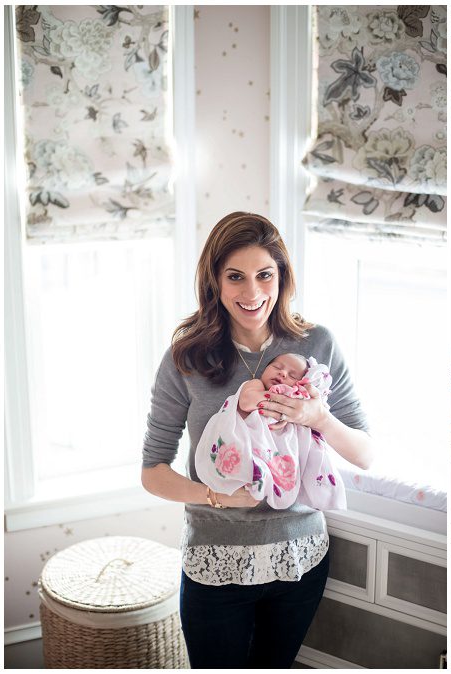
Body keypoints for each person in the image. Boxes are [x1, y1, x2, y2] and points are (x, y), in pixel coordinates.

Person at [141, 212, 374, 668]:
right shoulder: (186, 359)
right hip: (216, 561)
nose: (252, 293)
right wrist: (216, 495)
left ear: (282, 277)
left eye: (264, 275)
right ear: (215, 282)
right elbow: (152, 472)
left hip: (300, 560)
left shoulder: (317, 345)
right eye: (236, 277)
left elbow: (365, 452)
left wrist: (319, 417)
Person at [195, 352, 347, 511]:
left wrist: (296, 404)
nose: (283, 373)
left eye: (293, 376)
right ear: (265, 369)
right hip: (245, 440)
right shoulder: (255, 385)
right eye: (277, 367)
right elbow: (247, 402)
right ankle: (252, 476)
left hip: (270, 447)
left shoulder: (299, 405)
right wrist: (284, 402)